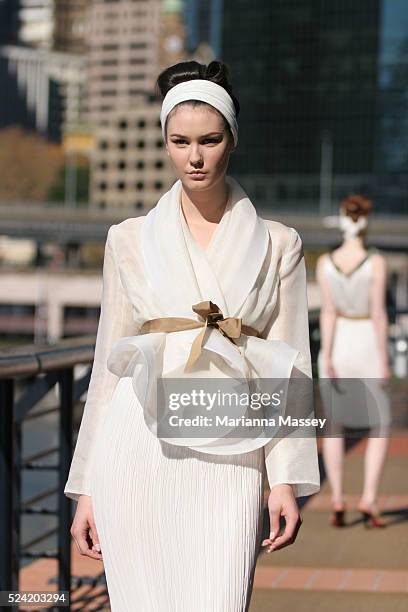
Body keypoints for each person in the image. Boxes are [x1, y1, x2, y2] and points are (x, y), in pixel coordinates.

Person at [64, 60, 320, 611]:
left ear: (233, 139)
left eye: (209, 140)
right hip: (136, 450)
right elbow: (108, 368)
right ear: (164, 142)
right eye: (179, 141)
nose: (195, 156)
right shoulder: (128, 239)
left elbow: (293, 370)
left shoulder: (280, 244)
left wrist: (286, 480)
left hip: (233, 457)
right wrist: (86, 487)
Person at [316, 194, 391, 529]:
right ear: (366, 221)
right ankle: (369, 497)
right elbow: (378, 313)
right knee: (379, 425)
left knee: (334, 426)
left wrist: (328, 355)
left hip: (338, 342)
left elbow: (328, 313)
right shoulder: (376, 262)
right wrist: (385, 358)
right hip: (366, 342)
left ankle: (337, 498)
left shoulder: (325, 263)